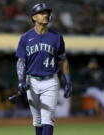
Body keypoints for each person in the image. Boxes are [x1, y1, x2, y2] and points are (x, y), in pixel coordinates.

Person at [15, 3, 72, 135]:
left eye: (47, 12)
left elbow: (63, 60)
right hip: (32, 81)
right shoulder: (25, 38)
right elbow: (21, 61)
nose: (46, 15)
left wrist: (68, 80)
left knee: (48, 119)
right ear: (34, 17)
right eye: (42, 13)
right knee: (37, 120)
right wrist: (20, 80)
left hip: (51, 81)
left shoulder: (56, 37)